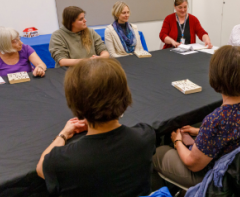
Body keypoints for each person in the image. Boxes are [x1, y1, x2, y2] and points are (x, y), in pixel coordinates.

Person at [36, 58, 156, 196]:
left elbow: (41, 168)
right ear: (124, 94)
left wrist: (63, 135)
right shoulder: (146, 135)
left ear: (75, 102)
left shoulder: (61, 161)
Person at [152, 45, 240, 188]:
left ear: (217, 76)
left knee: (157, 152)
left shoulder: (217, 119)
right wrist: (199, 132)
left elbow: (193, 164)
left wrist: (177, 142)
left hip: (214, 177)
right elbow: (234, 131)